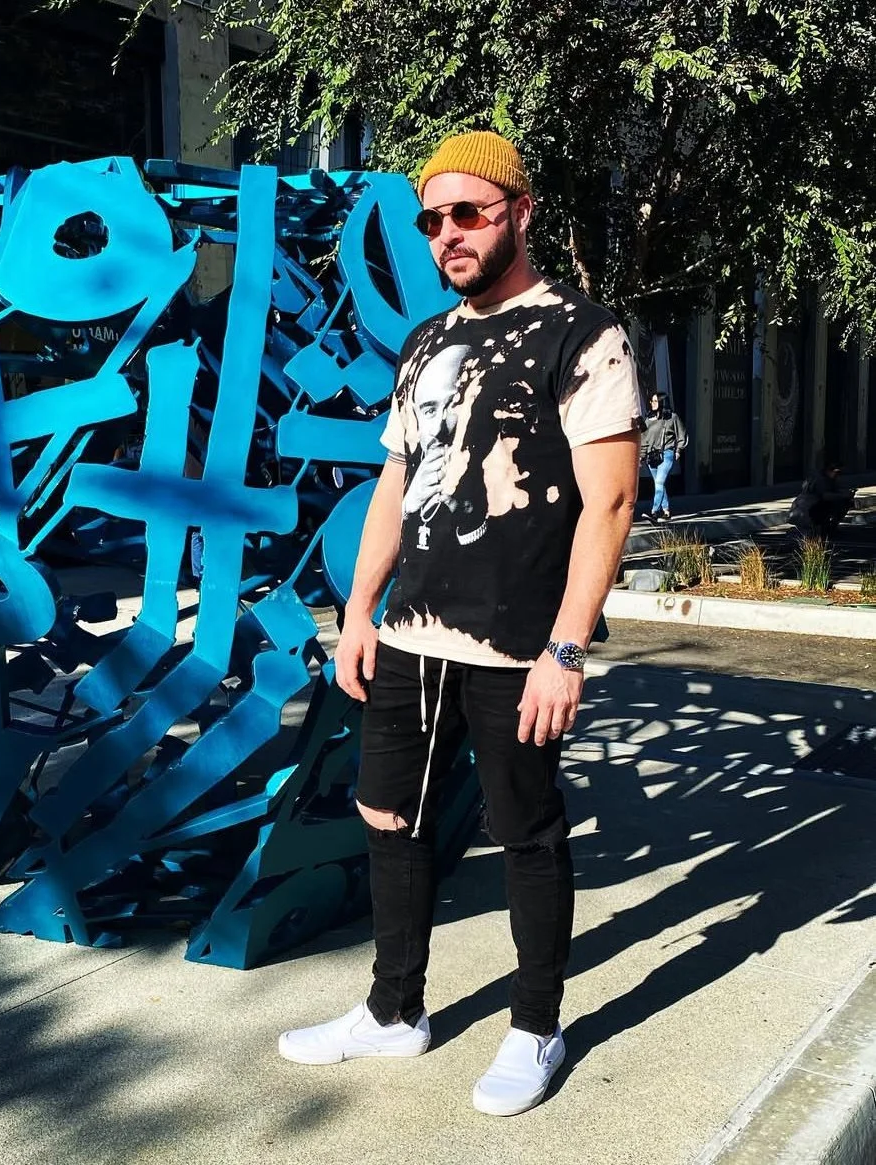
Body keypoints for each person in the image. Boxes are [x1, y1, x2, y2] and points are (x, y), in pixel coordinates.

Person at [277, 131, 642, 1116]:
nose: (448, 234)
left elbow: (609, 505)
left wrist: (567, 648)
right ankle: (394, 1013)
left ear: (521, 211)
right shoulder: (428, 341)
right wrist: (358, 611)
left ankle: (536, 1028)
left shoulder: (583, 332)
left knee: (525, 831)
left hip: (519, 644)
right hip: (411, 635)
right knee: (386, 818)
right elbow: (396, 480)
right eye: (431, 219)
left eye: (468, 212)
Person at [639, 391, 687, 523]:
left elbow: (682, 435)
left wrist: (678, 450)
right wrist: (641, 456)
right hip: (651, 456)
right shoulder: (648, 420)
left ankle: (654, 512)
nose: (652, 404)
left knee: (659, 482)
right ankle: (666, 511)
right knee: (659, 484)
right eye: (651, 401)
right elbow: (644, 440)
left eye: (655, 401)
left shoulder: (672, 418)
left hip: (667, 453)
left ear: (661, 402)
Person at [788, 460, 855, 540]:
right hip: (806, 512)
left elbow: (834, 491)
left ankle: (826, 529)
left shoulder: (829, 479)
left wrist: (845, 494)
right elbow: (825, 496)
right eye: (838, 473)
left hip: (813, 510)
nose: (838, 476)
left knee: (844, 502)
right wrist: (843, 495)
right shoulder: (820, 479)